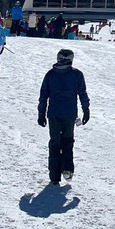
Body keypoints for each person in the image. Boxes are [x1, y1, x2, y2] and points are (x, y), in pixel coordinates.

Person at [37, 48, 90, 184]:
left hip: (54, 114)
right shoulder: (77, 74)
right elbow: (82, 93)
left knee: (55, 143)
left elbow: (44, 95)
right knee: (67, 141)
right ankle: (67, 170)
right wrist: (86, 109)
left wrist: (41, 113)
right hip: (69, 114)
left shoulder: (50, 74)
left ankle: (54, 176)